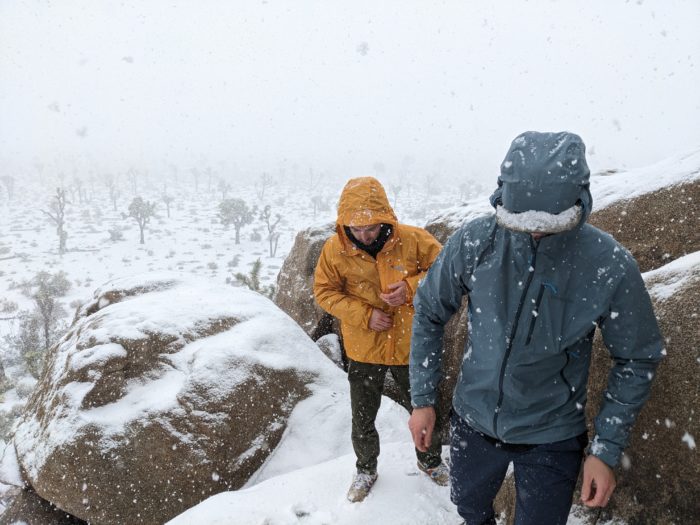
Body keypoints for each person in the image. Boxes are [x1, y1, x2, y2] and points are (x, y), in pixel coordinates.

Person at [407, 131, 664, 525]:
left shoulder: (607, 264)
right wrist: (423, 399)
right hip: (472, 422)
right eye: (522, 221)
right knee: (470, 510)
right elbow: (428, 310)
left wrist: (605, 449)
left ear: (580, 199)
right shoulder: (476, 242)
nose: (536, 231)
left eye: (551, 222)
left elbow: (636, 357)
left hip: (552, 433)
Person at [314, 176, 449, 503]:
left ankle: (430, 461)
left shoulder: (415, 240)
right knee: (362, 415)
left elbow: (445, 269)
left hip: (410, 346)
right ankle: (365, 469)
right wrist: (364, 314)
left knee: (426, 407)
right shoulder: (335, 249)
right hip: (363, 348)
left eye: (371, 228)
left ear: (385, 217)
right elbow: (324, 291)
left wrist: (410, 288)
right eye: (356, 229)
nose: (364, 235)